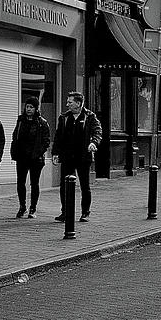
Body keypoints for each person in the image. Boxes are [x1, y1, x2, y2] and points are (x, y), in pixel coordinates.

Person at [52, 91, 102, 222]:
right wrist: (55, 153)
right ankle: (65, 212)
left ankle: (85, 212)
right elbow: (58, 137)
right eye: (67, 102)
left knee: (84, 185)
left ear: (78, 103)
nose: (67, 104)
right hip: (67, 156)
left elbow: (97, 131)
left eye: (70, 102)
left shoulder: (89, 116)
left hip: (83, 156)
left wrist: (93, 142)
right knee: (65, 185)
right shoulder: (64, 117)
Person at [10, 96, 51, 218]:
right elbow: (15, 136)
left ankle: (33, 208)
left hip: (35, 158)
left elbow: (46, 141)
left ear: (36, 108)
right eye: (27, 106)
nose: (28, 109)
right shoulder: (21, 120)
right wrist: (15, 152)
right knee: (20, 183)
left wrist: (38, 153)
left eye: (31, 107)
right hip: (22, 157)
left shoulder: (41, 123)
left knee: (34, 183)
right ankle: (22, 206)